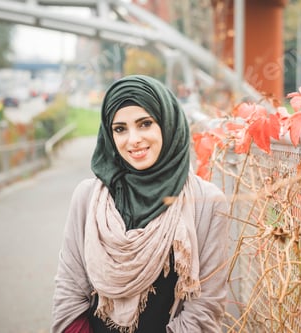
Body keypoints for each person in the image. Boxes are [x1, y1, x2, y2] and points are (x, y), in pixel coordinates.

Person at [51, 75, 230, 333]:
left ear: (167, 124)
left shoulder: (207, 202)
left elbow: (206, 306)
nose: (132, 139)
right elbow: (69, 288)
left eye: (145, 124)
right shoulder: (87, 197)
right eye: (120, 129)